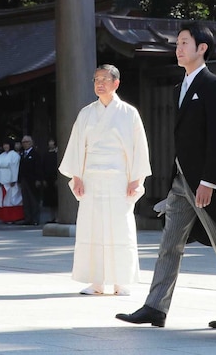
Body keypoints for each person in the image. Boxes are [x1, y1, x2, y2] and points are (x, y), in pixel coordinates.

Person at [116, 21, 216, 330]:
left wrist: (210, 181)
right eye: (178, 43)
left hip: (204, 183)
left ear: (202, 49)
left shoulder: (214, 85)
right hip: (180, 181)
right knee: (169, 243)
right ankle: (155, 307)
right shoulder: (179, 87)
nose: (178, 48)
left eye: (184, 42)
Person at [59, 64, 152, 296]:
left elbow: (139, 148)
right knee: (92, 227)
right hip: (91, 178)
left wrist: (136, 178)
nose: (99, 83)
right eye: (96, 79)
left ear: (116, 83)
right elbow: (78, 146)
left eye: (104, 79)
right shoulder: (86, 113)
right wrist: (77, 176)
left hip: (119, 177)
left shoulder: (129, 113)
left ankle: (122, 281)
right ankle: (96, 281)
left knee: (121, 228)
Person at [0, 138, 24, 224]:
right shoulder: (1, 156)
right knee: (3, 199)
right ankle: (5, 217)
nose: (5, 146)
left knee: (12, 199)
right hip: (2, 179)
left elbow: (15, 168)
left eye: (7, 144)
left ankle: (13, 217)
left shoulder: (14, 155)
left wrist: (13, 180)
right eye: (4, 145)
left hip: (10, 179)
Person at [18, 135, 43, 225]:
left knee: (34, 200)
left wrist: (38, 179)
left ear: (31, 143)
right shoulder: (22, 154)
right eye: (23, 142)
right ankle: (27, 218)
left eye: (27, 142)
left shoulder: (35, 154)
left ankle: (35, 219)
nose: (25, 144)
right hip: (24, 180)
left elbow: (38, 167)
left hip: (32, 180)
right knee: (26, 200)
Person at [42, 138, 60, 223]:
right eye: (49, 142)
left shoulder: (57, 154)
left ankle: (57, 217)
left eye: (52, 142)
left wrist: (58, 179)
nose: (50, 143)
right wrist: (44, 179)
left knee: (56, 200)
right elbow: (43, 166)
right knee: (49, 201)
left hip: (55, 179)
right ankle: (51, 217)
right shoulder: (46, 154)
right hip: (47, 179)